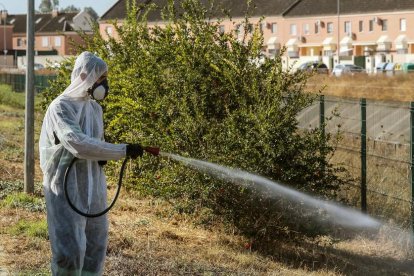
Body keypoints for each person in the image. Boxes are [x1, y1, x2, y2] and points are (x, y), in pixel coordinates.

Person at [39, 51, 144, 275]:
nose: (104, 84)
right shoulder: (61, 107)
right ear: (84, 75)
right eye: (100, 78)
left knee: (95, 246)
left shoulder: (95, 109)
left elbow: (96, 143)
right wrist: (121, 150)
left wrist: (105, 153)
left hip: (93, 187)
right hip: (66, 188)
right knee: (70, 252)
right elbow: (77, 143)